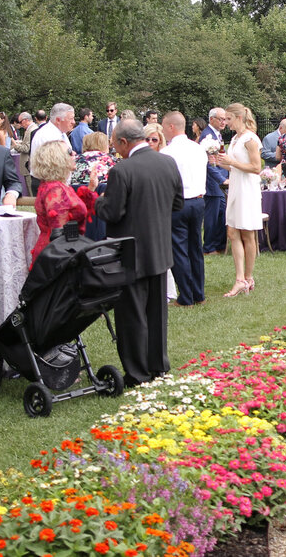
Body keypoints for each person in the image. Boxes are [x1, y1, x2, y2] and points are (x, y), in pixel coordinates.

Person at [93, 119, 184, 387]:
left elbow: (112, 212)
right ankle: (158, 365)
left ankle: (137, 372)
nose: (115, 150)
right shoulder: (167, 162)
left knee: (132, 315)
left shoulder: (123, 170)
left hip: (131, 253)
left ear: (123, 142)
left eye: (115, 145)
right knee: (157, 314)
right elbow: (177, 203)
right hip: (158, 248)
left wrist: (97, 199)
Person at [212, 103, 262, 297]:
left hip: (247, 189)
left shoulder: (250, 138)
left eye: (228, 119)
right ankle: (240, 278)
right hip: (235, 186)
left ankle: (247, 277)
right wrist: (221, 163)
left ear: (239, 118)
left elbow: (256, 167)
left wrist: (232, 162)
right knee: (232, 231)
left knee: (247, 233)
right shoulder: (234, 139)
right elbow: (236, 168)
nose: (226, 122)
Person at [161, 111, 208, 306]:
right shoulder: (198, 149)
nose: (163, 131)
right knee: (195, 247)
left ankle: (186, 295)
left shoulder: (166, 153)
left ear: (171, 127)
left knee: (179, 249)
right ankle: (199, 293)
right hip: (198, 201)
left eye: (164, 127)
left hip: (177, 203)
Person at [28, 140, 96, 264]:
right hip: (58, 257)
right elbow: (59, 235)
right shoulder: (55, 189)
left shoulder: (55, 185)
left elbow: (72, 213)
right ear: (57, 159)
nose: (75, 153)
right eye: (70, 152)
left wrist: (91, 188)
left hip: (60, 251)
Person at [199, 107, 229, 255]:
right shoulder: (207, 137)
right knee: (212, 217)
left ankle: (220, 245)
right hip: (213, 184)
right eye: (221, 119)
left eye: (225, 119)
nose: (224, 122)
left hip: (220, 182)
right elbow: (209, 164)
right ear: (212, 119)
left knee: (222, 214)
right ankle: (209, 247)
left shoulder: (217, 135)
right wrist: (222, 179)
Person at [28, 103, 76, 195]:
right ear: (58, 120)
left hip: (57, 184)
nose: (73, 122)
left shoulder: (60, 134)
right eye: (71, 119)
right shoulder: (47, 135)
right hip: (49, 186)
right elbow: (55, 165)